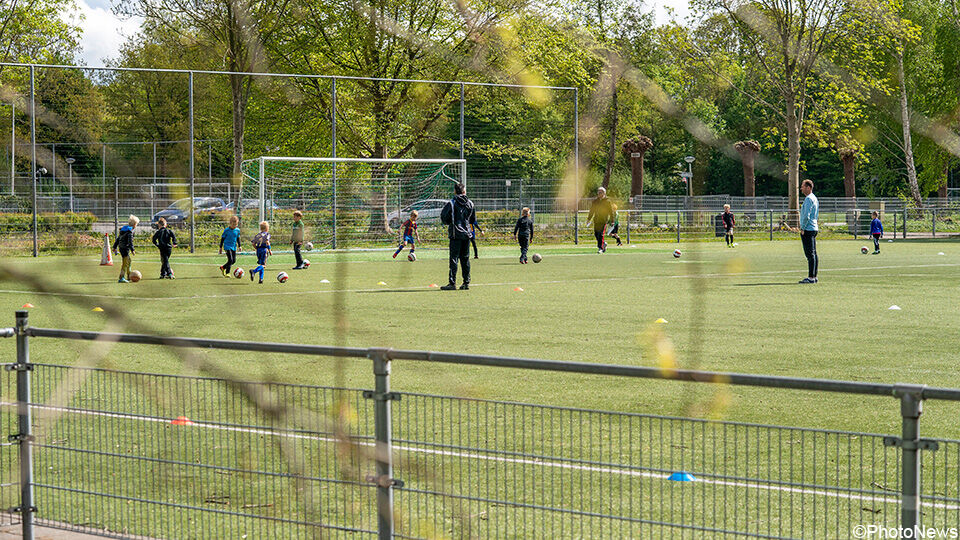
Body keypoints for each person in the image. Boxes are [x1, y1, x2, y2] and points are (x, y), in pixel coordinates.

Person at [439, 183, 476, 290]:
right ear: (464, 191)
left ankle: (452, 283)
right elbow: (472, 220)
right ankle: (466, 282)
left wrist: (451, 222)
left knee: (454, 259)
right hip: (467, 234)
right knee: (465, 259)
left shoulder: (451, 203)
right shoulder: (470, 203)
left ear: (455, 191)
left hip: (455, 234)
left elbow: (444, 217)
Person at [796, 180, 819, 284]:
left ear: (808, 187)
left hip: (808, 229)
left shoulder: (809, 199)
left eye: (803, 186)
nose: (801, 188)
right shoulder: (814, 198)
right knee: (813, 253)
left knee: (810, 254)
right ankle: (814, 276)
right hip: (814, 228)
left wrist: (803, 228)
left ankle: (811, 277)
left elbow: (806, 215)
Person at [587, 187, 614, 253]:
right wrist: (589, 219)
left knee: (601, 234)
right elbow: (592, 210)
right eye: (598, 192)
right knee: (596, 234)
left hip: (603, 220)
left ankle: (600, 248)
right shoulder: (595, 201)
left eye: (600, 192)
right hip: (596, 220)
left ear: (604, 193)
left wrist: (612, 220)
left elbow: (611, 212)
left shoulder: (608, 201)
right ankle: (603, 243)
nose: (599, 193)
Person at [112, 215, 138, 283]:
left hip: (121, 248)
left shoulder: (124, 229)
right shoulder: (130, 232)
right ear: (134, 225)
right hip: (125, 249)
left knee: (128, 261)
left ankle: (129, 276)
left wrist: (114, 247)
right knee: (125, 263)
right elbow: (130, 242)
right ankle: (121, 277)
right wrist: (132, 250)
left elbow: (118, 239)